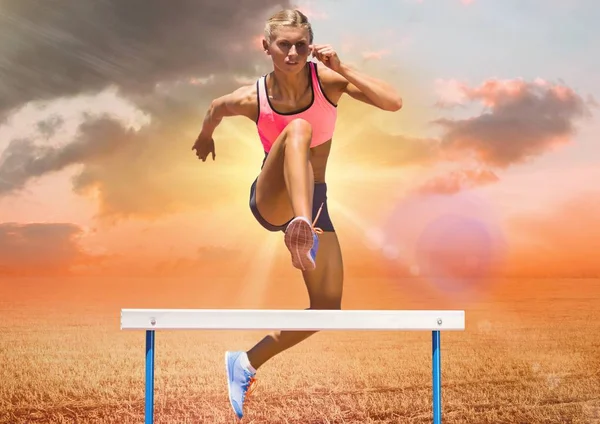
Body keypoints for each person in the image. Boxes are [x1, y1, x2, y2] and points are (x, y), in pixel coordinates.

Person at [191, 9, 402, 420]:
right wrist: (204, 138)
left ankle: (246, 362)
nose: (292, 53)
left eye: (300, 45)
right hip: (272, 199)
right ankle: (301, 228)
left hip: (315, 199)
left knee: (327, 308)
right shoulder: (252, 97)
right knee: (300, 130)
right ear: (266, 46)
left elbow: (393, 102)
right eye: (283, 44)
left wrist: (343, 67)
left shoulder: (327, 81)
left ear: (311, 46)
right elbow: (215, 108)